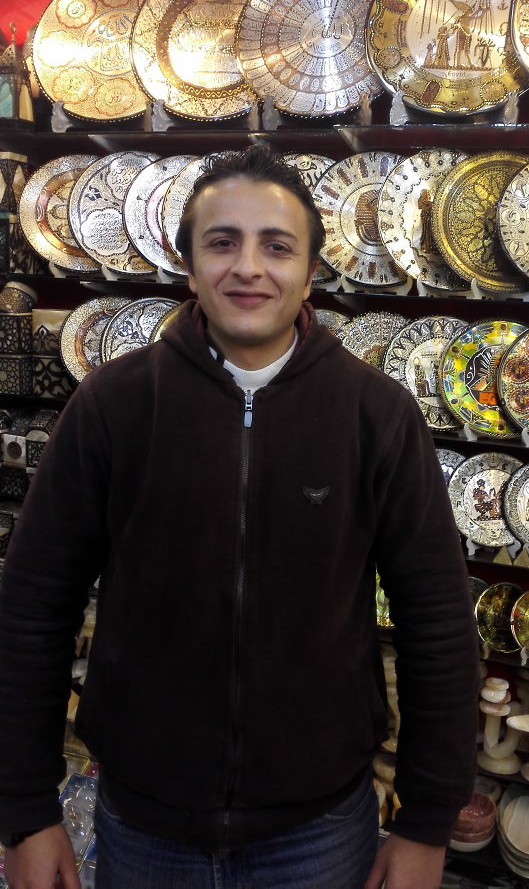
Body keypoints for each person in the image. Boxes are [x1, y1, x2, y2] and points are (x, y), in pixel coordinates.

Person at [0, 145, 479, 889]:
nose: (248, 267)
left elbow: (439, 622)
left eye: (276, 246)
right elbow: (33, 606)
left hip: (319, 831)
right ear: (189, 266)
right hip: (144, 824)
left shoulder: (375, 413)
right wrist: (26, 809)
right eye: (222, 242)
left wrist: (425, 821)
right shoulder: (113, 405)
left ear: (310, 271)